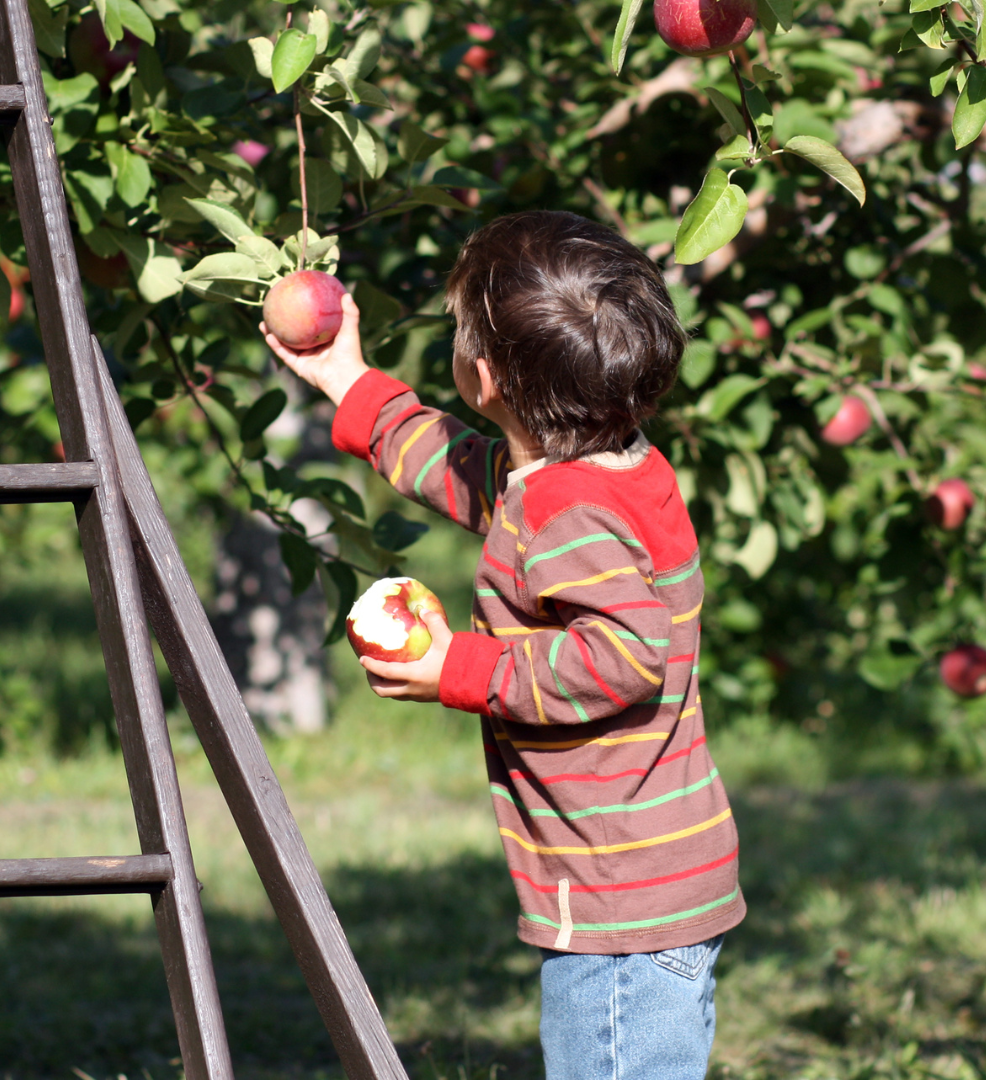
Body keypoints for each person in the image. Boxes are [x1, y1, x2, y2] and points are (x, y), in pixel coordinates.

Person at [262, 210, 745, 1080]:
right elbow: (459, 467)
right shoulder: (598, 474)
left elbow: (626, 656)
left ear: (481, 375)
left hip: (621, 908)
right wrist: (349, 380)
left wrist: (459, 667)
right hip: (644, 883)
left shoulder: (569, 515)